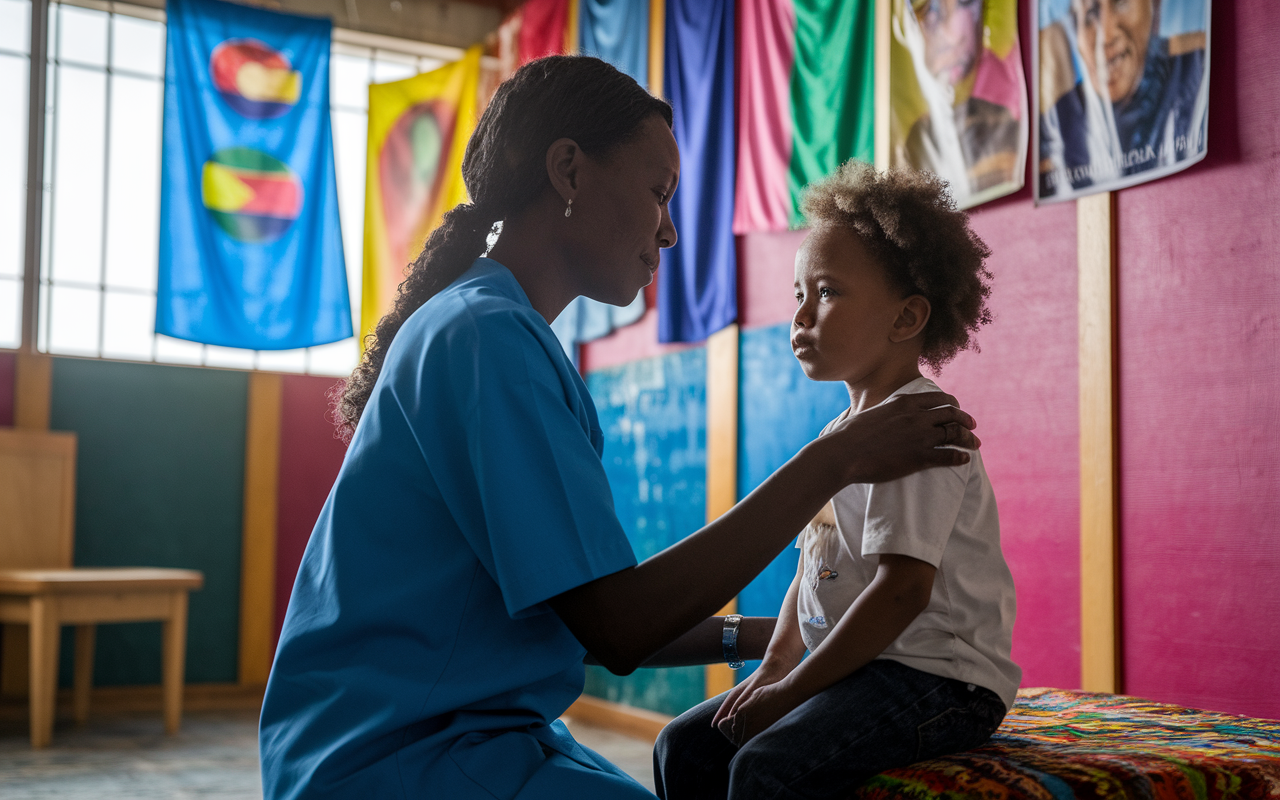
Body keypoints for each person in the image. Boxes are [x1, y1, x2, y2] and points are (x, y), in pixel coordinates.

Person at [258, 57, 981, 800]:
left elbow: (582, 611)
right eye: (658, 192)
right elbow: (617, 625)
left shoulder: (497, 332)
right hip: (396, 757)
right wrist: (833, 461)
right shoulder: (485, 340)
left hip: (466, 731)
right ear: (569, 170)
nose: (668, 231)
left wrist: (772, 638)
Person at [653, 163, 1019, 800]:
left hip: (939, 680)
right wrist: (772, 668)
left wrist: (793, 692)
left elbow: (902, 592)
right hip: (869, 669)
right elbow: (812, 572)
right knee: (682, 747)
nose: (801, 313)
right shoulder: (839, 439)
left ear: (905, 319)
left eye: (826, 293)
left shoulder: (920, 429)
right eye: (799, 292)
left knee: (764, 769)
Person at [1038, 0, 1207, 196]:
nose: (1106, 36)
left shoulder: (1197, 78)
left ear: (1155, 8)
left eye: (1121, 2)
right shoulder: (1057, 128)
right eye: (1090, 14)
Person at [901, 0, 1023, 198]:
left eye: (963, 3)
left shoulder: (1008, 105)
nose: (950, 34)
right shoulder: (916, 139)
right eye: (926, 10)